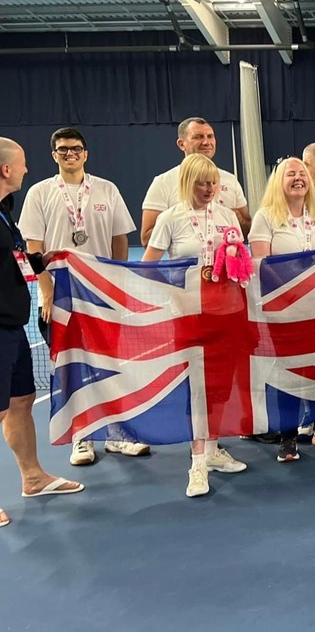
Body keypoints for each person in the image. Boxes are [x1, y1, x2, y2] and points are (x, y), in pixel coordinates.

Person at [20, 127, 147, 466]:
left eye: (75, 148)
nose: (69, 154)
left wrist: (117, 282)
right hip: (62, 292)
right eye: (62, 150)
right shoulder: (39, 193)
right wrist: (46, 294)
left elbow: (120, 238)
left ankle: (118, 435)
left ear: (86, 153)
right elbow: (34, 248)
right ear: (54, 155)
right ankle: (82, 437)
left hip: (102, 290)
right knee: (70, 366)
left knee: (113, 365)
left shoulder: (107, 189)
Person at [142, 154, 248, 498]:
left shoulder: (227, 215)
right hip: (190, 318)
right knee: (197, 389)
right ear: (187, 182)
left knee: (220, 386)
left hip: (228, 313)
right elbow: (148, 268)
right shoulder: (170, 218)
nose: (208, 189)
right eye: (201, 183)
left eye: (212, 183)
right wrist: (176, 297)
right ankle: (197, 462)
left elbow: (241, 261)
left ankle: (214, 448)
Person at [1, 137, 84, 529]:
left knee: (21, 400)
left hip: (11, 325)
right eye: (22, 163)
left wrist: (40, 260)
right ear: (6, 169)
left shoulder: (4, 212)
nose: (26, 169)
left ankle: (33, 478)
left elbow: (11, 263)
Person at [249, 157, 315, 462]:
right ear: (279, 181)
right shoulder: (265, 217)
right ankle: (288, 437)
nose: (298, 178)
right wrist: (294, 294)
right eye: (290, 174)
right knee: (286, 374)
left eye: (302, 173)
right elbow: (260, 265)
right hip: (283, 311)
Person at [141, 117, 250, 246]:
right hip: (187, 263)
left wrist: (235, 218)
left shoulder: (230, 180)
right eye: (198, 137)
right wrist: (179, 222)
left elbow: (247, 229)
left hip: (225, 263)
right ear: (182, 144)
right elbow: (146, 239)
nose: (206, 142)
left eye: (210, 136)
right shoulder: (163, 182)